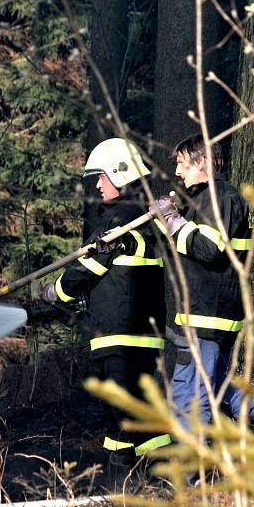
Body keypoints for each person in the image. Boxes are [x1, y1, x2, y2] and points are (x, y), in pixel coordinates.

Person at [40, 138, 170, 482]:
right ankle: (156, 480)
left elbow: (88, 269)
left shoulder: (118, 223)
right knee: (138, 418)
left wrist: (57, 290)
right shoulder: (147, 222)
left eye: (102, 177)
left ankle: (126, 488)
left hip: (120, 338)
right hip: (145, 339)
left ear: (120, 174)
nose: (98, 185)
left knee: (121, 420)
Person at [150, 134, 254, 444]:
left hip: (208, 316)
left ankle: (196, 477)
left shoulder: (222, 198)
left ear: (202, 162)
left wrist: (174, 222)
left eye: (181, 164)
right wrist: (165, 223)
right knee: (215, 386)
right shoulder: (200, 200)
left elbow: (209, 248)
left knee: (191, 398)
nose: (177, 172)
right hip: (197, 315)